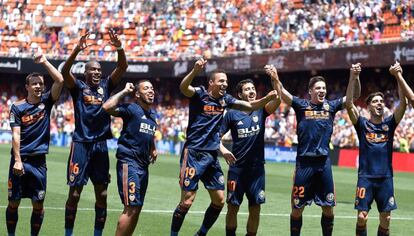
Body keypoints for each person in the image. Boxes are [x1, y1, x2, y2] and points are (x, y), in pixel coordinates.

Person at [170, 58, 277, 236]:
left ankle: (201, 233)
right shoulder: (199, 94)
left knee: (219, 200)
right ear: (211, 82)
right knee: (187, 201)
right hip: (194, 153)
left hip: (212, 156)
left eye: (226, 81)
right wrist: (195, 71)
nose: (225, 84)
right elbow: (183, 88)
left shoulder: (226, 100)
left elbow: (250, 105)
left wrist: (267, 98)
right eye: (221, 81)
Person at [279, 67, 360, 236]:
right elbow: (282, 93)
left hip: (324, 164)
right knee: (296, 210)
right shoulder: (301, 106)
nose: (322, 90)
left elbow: (354, 97)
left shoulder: (331, 106)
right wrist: (274, 77)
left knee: (328, 209)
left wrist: (354, 77)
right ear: (310, 91)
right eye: (318, 88)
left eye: (324, 88)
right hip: (304, 165)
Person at [61, 30, 128, 236]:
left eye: (99, 70)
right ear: (86, 73)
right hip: (81, 144)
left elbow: (122, 66)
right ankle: (68, 233)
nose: (98, 73)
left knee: (103, 194)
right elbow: (64, 72)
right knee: (74, 194)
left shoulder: (107, 86)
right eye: (94, 70)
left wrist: (119, 47)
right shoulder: (78, 88)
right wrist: (75, 51)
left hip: (100, 146)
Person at [219, 65, 281, 236]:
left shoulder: (261, 109)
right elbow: (215, 137)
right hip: (237, 169)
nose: (252, 91)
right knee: (233, 207)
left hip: (257, 170)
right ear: (240, 95)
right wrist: (223, 149)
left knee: (255, 208)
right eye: (247, 89)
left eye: (253, 88)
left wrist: (275, 79)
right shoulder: (231, 114)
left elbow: (278, 100)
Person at [345, 62, 406, 236]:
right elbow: (349, 103)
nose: (380, 103)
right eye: (375, 101)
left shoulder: (390, 124)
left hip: (386, 178)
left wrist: (398, 76)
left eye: (381, 101)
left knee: (386, 219)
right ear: (369, 106)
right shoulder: (362, 124)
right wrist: (353, 77)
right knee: (362, 218)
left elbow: (403, 103)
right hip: (366, 178)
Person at [6, 53, 64, 236]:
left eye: (41, 83)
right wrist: (17, 160)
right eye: (35, 84)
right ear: (27, 87)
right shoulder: (17, 107)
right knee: (13, 202)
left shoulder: (47, 102)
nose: (38, 86)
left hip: (39, 162)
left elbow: (60, 80)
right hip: (20, 161)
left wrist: (45, 61)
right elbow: (15, 134)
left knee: (38, 204)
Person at [103, 81, 158, 236]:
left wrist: (153, 148)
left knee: (137, 208)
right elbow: (107, 107)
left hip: (143, 165)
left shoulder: (152, 114)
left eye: (152, 88)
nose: (151, 91)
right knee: (131, 207)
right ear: (138, 94)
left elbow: (148, 133)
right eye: (146, 88)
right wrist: (124, 91)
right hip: (129, 162)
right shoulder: (132, 108)